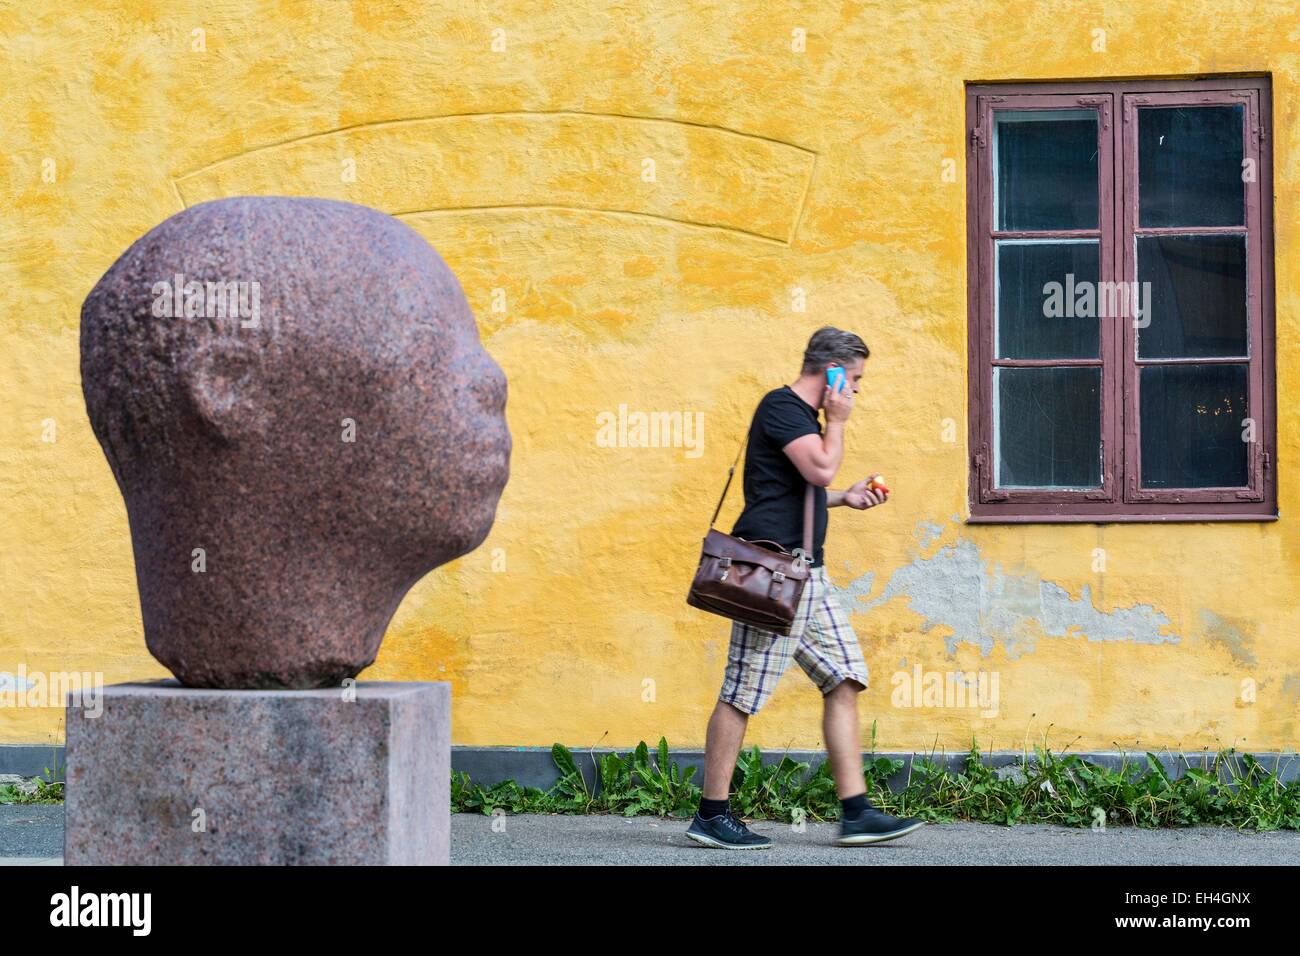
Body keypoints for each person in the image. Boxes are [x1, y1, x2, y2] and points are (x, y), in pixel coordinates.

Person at [686, 326, 926, 849]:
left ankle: (856, 813)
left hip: (808, 577)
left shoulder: (804, 420)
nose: (858, 390)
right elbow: (819, 466)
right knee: (742, 692)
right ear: (832, 371)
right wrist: (837, 424)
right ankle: (711, 814)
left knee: (844, 678)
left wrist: (845, 498)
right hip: (773, 576)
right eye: (855, 378)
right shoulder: (782, 408)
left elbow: (801, 486)